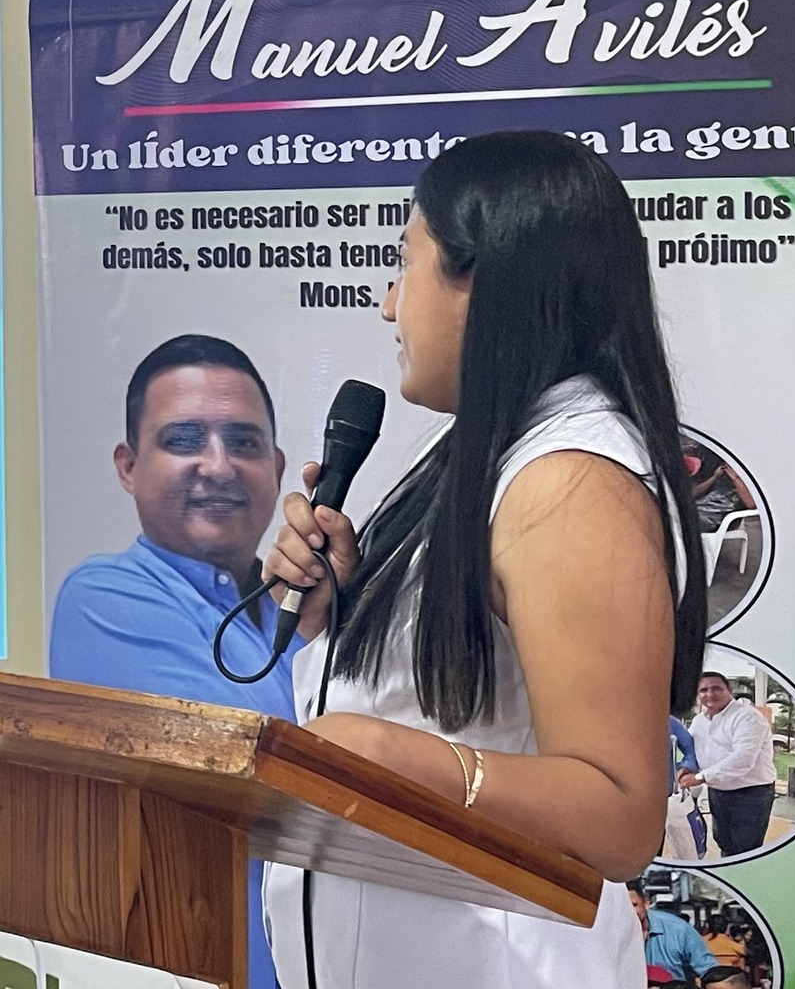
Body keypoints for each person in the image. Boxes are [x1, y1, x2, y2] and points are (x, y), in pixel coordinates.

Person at [257, 132, 709, 987]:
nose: (389, 304)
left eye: (406, 262)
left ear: (486, 278)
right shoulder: (485, 449)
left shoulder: (571, 480)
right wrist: (339, 616)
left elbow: (620, 819)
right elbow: (458, 702)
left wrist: (391, 756)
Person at [48, 333, 293, 989]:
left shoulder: (302, 607)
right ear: (128, 466)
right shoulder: (102, 599)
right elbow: (276, 754)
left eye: (244, 443)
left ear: (276, 466)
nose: (218, 465)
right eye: (184, 440)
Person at [680, 671, 778, 857]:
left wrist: (700, 777)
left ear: (730, 690)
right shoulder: (699, 720)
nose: (710, 694)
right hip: (718, 791)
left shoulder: (747, 717)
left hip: (750, 795)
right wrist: (687, 766)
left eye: (716, 688)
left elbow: (743, 758)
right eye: (703, 690)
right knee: (725, 843)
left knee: (744, 850)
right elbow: (690, 749)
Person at [629, 883, 716, 985]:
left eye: (633, 905)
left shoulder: (679, 930)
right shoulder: (612, 935)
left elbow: (709, 971)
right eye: (621, 907)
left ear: (646, 902)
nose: (628, 911)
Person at [663, 714, 703, 860]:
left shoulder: (671, 723)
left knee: (653, 851)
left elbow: (692, 753)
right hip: (626, 799)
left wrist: (684, 768)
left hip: (664, 798)